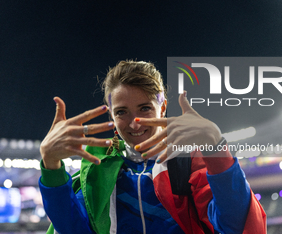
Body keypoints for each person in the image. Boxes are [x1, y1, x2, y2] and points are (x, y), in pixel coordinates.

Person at [39, 60, 266, 234]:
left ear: (163, 106)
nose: (134, 122)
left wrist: (216, 147)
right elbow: (72, 230)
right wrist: (51, 167)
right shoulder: (99, 165)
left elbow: (238, 226)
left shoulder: (188, 159)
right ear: (111, 114)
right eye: (121, 112)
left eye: (145, 108)